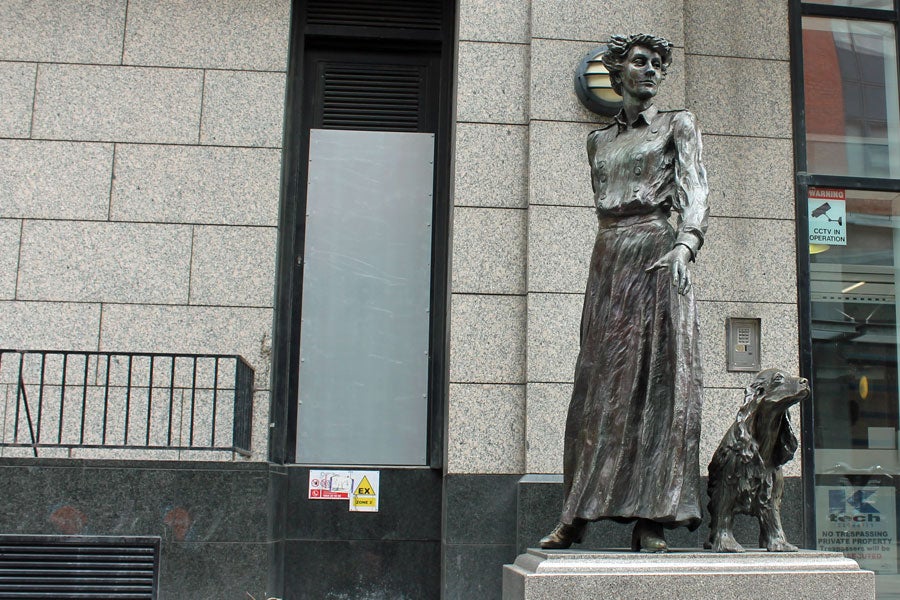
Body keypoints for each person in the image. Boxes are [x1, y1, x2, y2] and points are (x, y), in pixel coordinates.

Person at [540, 33, 709, 552]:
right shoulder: (598, 141)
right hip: (610, 257)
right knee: (598, 384)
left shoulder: (676, 125)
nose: (652, 70)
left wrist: (686, 245)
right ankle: (577, 512)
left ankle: (651, 518)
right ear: (618, 74)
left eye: (658, 63)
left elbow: (695, 188)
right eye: (641, 62)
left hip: (659, 253)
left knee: (659, 383)